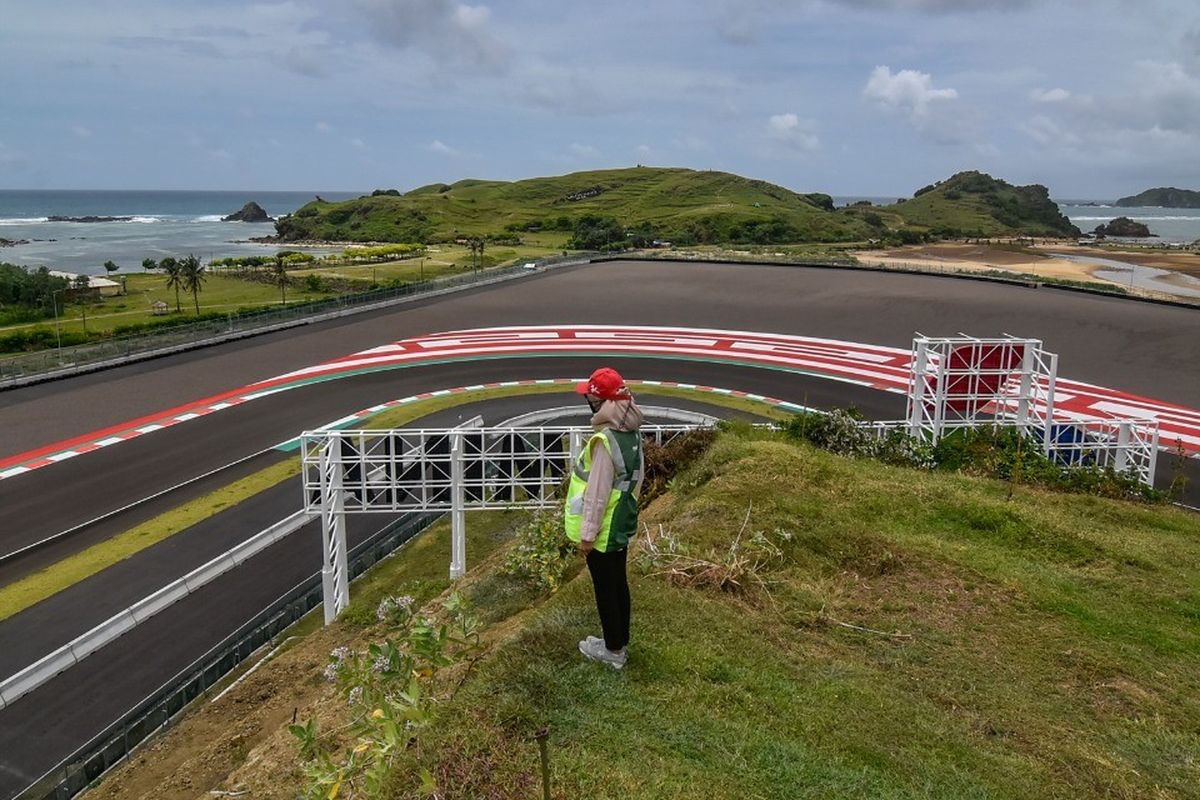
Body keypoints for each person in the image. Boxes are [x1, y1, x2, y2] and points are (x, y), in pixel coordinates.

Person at [564, 367, 645, 670]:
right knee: (618, 583)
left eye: (591, 396)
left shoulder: (605, 441)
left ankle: (612, 651)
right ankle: (619, 642)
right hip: (621, 523)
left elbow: (597, 494)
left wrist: (587, 535)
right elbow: (637, 480)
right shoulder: (632, 434)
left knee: (605, 588)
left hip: (603, 529)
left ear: (602, 402)